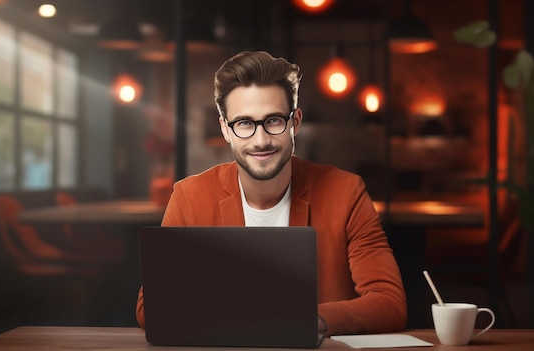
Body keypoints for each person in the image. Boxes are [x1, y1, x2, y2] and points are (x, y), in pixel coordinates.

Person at [136, 50, 407, 336]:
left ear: (296, 122)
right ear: (226, 130)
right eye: (244, 124)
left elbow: (390, 303)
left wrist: (301, 319)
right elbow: (151, 307)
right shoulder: (189, 196)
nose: (261, 139)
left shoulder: (346, 193)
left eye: (274, 120)